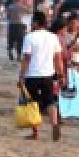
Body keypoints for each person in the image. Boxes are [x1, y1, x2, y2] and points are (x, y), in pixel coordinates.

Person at [18, 10, 64, 141]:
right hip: (48, 75)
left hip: (32, 75)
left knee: (33, 103)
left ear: (36, 23)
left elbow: (27, 58)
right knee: (50, 102)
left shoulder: (30, 37)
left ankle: (35, 132)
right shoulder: (53, 37)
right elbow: (58, 58)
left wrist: (21, 76)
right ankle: (54, 123)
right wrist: (61, 75)